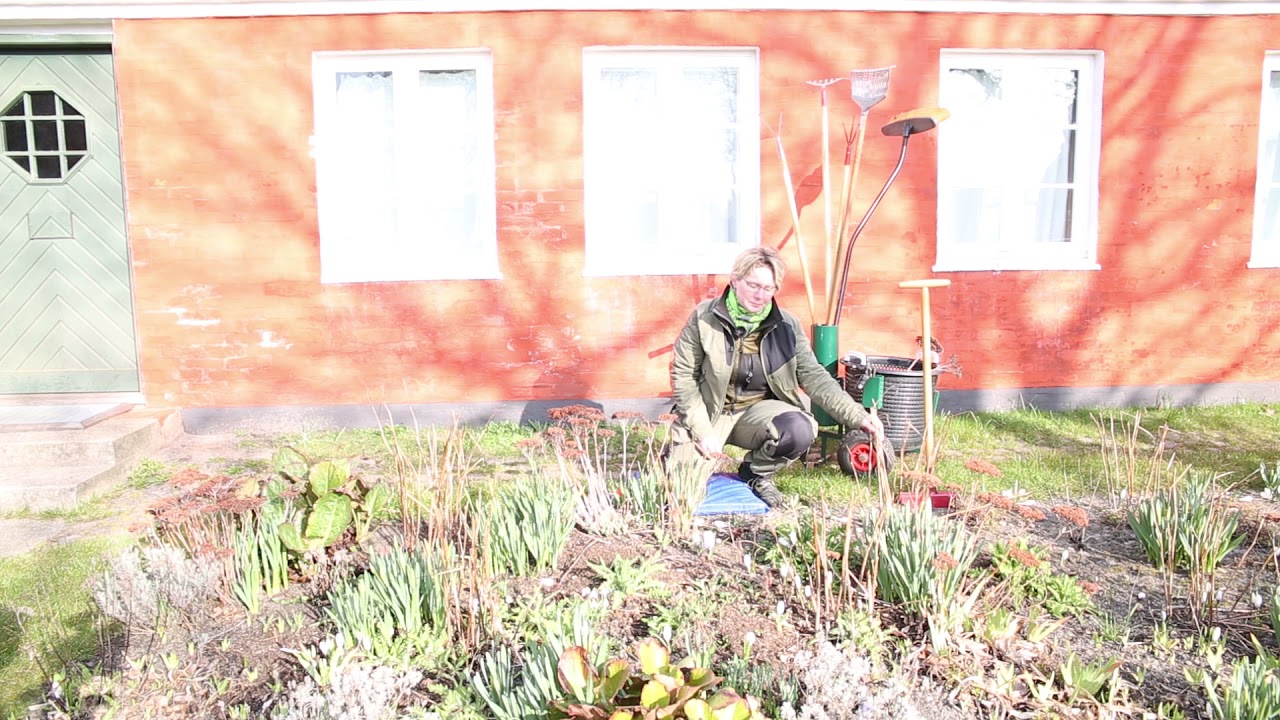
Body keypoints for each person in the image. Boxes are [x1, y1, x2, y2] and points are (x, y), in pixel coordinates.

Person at [668, 246, 884, 508]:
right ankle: (676, 456)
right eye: (753, 285)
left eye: (768, 288)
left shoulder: (787, 325)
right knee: (678, 492)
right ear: (735, 281)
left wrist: (857, 415)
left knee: (799, 428)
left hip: (759, 414)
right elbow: (683, 378)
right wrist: (702, 431)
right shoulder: (704, 318)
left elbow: (815, 376)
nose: (760, 295)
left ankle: (756, 473)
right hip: (711, 411)